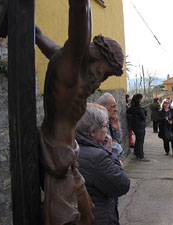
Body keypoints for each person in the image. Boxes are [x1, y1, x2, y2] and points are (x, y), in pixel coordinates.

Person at [35, 0, 124, 224]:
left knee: (88, 213)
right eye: (104, 73)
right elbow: (79, 10)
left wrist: (35, 33)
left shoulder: (64, 61)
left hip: (69, 162)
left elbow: (47, 45)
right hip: (57, 161)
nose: (100, 81)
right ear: (95, 57)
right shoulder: (72, 65)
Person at [76, 103, 130, 225]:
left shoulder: (71, 148)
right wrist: (110, 153)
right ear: (92, 132)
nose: (107, 130)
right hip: (99, 217)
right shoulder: (98, 157)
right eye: (105, 126)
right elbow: (122, 184)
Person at [127, 94, 150, 161]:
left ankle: (137, 152)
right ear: (140, 99)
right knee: (140, 141)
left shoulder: (132, 107)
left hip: (134, 126)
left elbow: (128, 112)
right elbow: (144, 117)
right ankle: (140, 156)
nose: (143, 99)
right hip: (140, 126)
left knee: (138, 140)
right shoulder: (139, 108)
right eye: (142, 98)